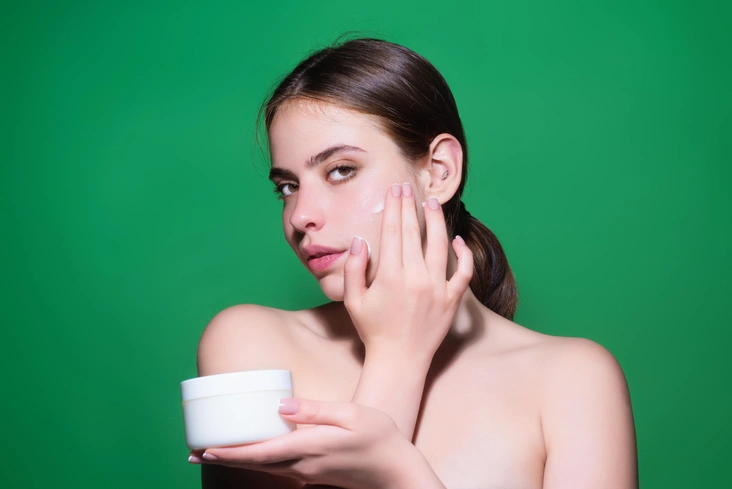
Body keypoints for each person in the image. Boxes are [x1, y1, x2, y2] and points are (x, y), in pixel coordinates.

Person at [188, 38, 638, 488]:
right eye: (288, 187)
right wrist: (395, 355)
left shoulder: (573, 381)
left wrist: (398, 468)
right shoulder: (251, 346)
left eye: (341, 170)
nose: (300, 215)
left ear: (439, 171)